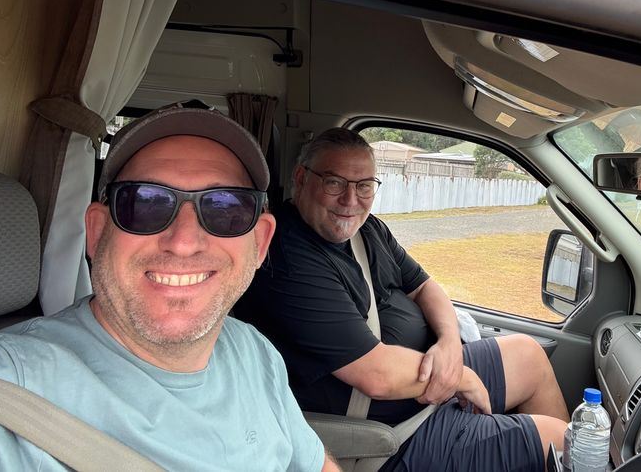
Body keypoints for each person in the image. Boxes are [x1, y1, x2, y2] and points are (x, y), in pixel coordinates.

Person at [0, 101, 339, 472]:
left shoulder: (254, 351)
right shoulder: (14, 390)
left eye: (225, 208)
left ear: (261, 243)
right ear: (96, 233)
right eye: (145, 203)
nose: (184, 241)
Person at [235, 128, 568, 471]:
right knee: (558, 440)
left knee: (529, 355)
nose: (351, 200)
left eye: (364, 185)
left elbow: (426, 287)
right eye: (334, 183)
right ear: (302, 178)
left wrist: (451, 345)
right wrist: (462, 378)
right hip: (390, 434)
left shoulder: (368, 231)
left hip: (423, 382)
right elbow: (375, 374)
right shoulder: (287, 259)